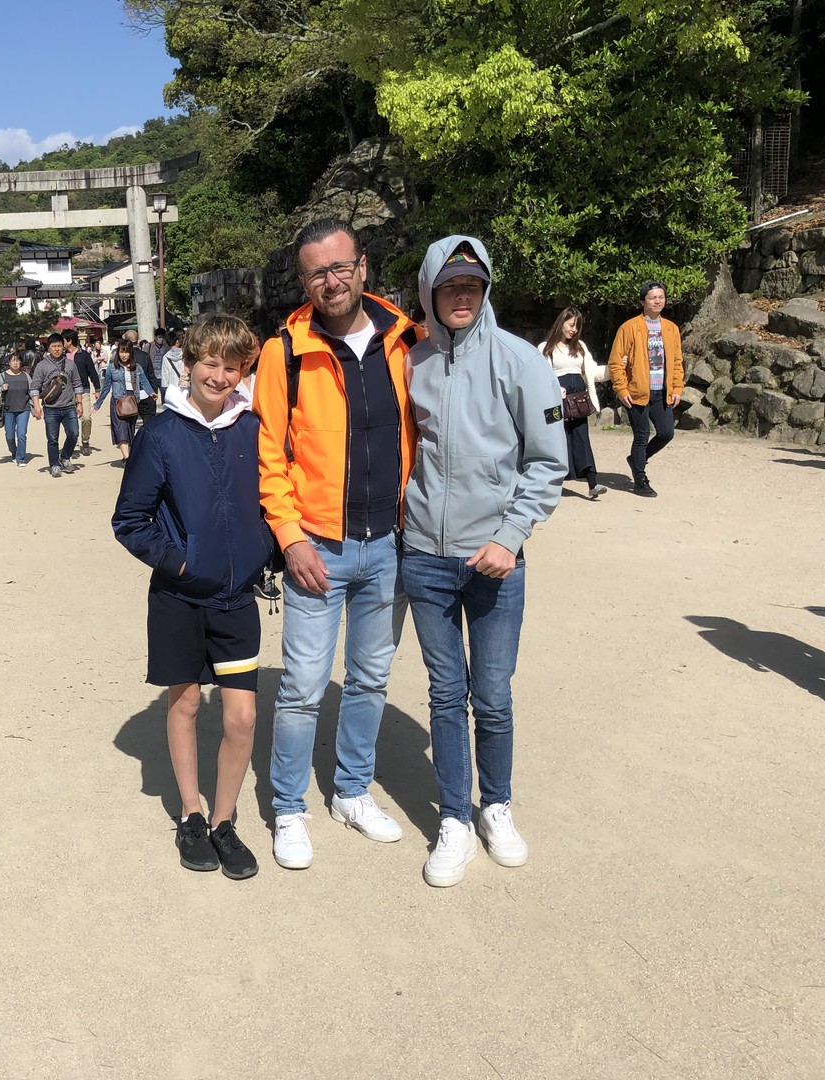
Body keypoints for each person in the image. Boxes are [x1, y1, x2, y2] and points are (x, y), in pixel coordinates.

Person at [254, 218, 420, 871]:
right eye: (317, 271)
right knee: (301, 684)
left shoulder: (406, 341)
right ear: (304, 281)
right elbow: (269, 454)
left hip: (391, 540)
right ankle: (289, 806)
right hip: (317, 543)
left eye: (340, 266)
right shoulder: (284, 352)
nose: (331, 280)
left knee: (371, 677)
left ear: (363, 267)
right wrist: (289, 539)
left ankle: (351, 790)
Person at [401, 235, 567, 888]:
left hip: (495, 558)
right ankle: (454, 819)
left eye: (471, 284)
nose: (461, 295)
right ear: (430, 294)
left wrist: (510, 534)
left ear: (486, 288)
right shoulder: (412, 362)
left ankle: (496, 805)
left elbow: (548, 460)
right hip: (425, 557)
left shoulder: (521, 360)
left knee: (491, 695)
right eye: (449, 286)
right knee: (446, 695)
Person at [111, 313, 272, 880]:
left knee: (243, 717)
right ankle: (193, 813)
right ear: (188, 362)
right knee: (183, 702)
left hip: (236, 597)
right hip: (178, 594)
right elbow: (129, 520)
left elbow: (274, 492)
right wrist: (180, 561)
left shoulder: (253, 425)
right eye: (210, 363)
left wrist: (266, 549)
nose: (221, 376)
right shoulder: (161, 432)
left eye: (233, 367)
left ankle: (226, 820)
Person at [609, 280, 683, 497]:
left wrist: (677, 387)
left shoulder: (671, 329)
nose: (657, 300)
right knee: (641, 435)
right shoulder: (629, 328)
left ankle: (636, 460)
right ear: (643, 301)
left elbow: (677, 361)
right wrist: (621, 390)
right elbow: (615, 362)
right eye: (652, 297)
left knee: (666, 433)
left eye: (661, 297)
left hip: (662, 391)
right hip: (637, 392)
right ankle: (640, 480)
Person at [539, 307, 606, 499]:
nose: (573, 330)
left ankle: (593, 483)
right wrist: (554, 389)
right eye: (571, 325)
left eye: (577, 326)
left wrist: (615, 370)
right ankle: (551, 483)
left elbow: (593, 372)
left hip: (578, 400)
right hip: (554, 400)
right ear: (561, 323)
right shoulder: (545, 347)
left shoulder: (580, 347)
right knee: (555, 439)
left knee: (582, 438)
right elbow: (541, 374)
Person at [29, 333, 85, 478]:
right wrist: (36, 406)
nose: (57, 349)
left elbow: (78, 384)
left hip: (69, 406)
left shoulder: (70, 364)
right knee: (52, 439)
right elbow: (34, 388)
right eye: (54, 346)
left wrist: (79, 403)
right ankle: (54, 464)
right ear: (48, 348)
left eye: (59, 346)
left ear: (63, 347)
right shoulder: (42, 366)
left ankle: (65, 457)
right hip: (51, 408)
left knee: (74, 434)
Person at [94, 338, 156, 460]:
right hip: (118, 401)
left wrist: (151, 392)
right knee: (121, 429)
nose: (124, 355)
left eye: (126, 352)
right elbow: (106, 387)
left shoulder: (137, 367)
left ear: (130, 353)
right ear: (118, 353)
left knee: (129, 430)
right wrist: (98, 404)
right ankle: (127, 458)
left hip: (132, 400)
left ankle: (128, 455)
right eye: (122, 352)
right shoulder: (112, 368)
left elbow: (143, 381)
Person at [64, 329, 101, 453]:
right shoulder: (62, 356)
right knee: (71, 418)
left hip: (84, 389)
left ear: (69, 341)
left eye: (63, 340)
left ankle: (85, 440)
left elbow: (92, 372)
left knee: (86, 418)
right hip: (67, 392)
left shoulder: (84, 355)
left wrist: (97, 389)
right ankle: (72, 444)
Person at [0, 350, 31, 466]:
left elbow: (32, 391)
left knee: (21, 434)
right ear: (9, 363)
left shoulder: (26, 376)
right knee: (9, 434)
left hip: (23, 409)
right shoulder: (3, 376)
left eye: (18, 360)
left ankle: (21, 458)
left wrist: (35, 407)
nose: (15, 363)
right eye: (13, 361)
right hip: (8, 409)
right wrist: (1, 388)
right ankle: (14, 451)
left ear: (21, 362)